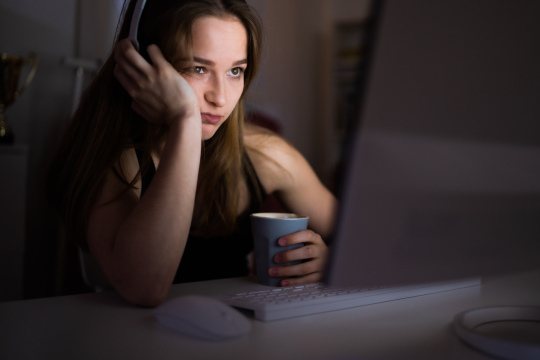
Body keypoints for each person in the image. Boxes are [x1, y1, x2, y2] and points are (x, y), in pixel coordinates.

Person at [46, 0, 337, 307]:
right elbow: (146, 286)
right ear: (141, 65)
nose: (220, 97)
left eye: (236, 71)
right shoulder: (114, 155)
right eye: (198, 68)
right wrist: (185, 120)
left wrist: (333, 260)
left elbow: (364, 240)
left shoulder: (266, 154)